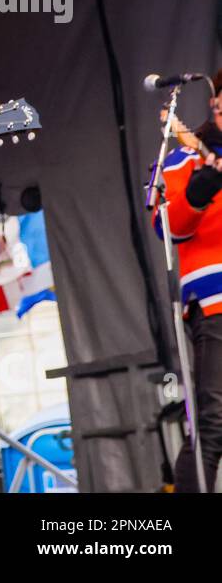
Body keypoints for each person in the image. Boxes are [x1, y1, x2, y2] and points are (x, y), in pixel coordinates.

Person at [154, 71, 222, 492]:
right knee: (214, 421)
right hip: (214, 301)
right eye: (218, 108)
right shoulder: (183, 159)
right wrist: (198, 192)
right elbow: (166, 227)